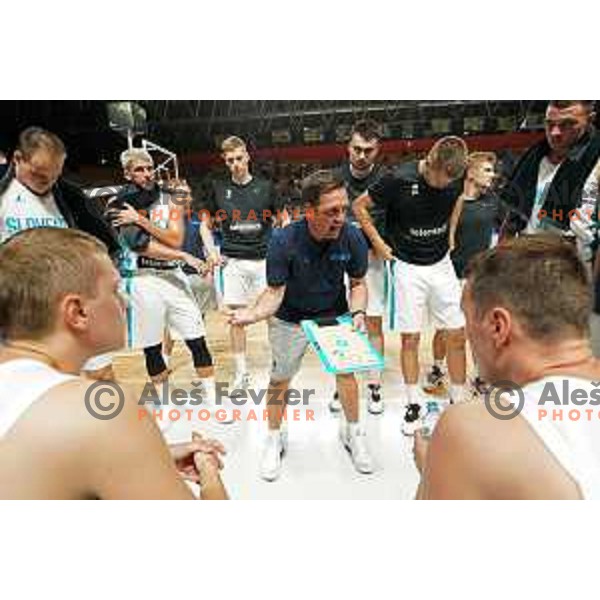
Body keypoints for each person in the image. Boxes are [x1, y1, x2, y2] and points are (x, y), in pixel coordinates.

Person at [0, 227, 227, 499]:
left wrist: (153, 458)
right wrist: (208, 472)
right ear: (78, 312)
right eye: (115, 290)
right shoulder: (99, 409)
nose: (127, 301)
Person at [414, 235, 600, 499]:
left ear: (498, 326)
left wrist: (433, 473)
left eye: (467, 319)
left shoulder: (470, 430)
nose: (467, 336)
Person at [227, 169, 373, 481]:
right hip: (289, 318)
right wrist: (252, 315)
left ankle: (354, 433)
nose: (339, 217)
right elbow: (275, 292)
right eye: (330, 211)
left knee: (347, 375)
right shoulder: (283, 240)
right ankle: (274, 436)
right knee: (279, 380)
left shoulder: (353, 235)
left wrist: (358, 312)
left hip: (334, 314)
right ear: (308, 210)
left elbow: (358, 283)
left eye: (343, 209)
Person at [354, 136, 468, 434]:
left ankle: (458, 402)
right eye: (441, 180)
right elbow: (359, 206)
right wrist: (378, 243)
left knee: (457, 334)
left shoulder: (457, 177)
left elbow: (458, 200)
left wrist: (452, 233)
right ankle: (412, 405)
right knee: (410, 340)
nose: (445, 186)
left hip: (441, 263)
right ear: (431, 163)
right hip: (407, 266)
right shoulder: (398, 178)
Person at [109, 149, 228, 432]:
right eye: (139, 169)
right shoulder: (117, 204)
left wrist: (140, 220)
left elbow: (175, 240)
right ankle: (165, 407)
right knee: (153, 348)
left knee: (197, 339)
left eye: (149, 168)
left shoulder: (168, 196)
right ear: (127, 173)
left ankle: (213, 402)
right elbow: (140, 246)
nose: (147, 174)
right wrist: (182, 256)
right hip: (143, 279)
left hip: (174, 278)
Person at [0, 126, 120, 381]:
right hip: (19, 311)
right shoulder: (4, 193)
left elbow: (105, 243)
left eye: (55, 175)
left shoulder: (71, 196)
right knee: (33, 381)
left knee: (100, 373)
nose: (48, 182)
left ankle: (107, 418)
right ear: (18, 159)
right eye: (39, 174)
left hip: (70, 304)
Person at [200, 136, 282, 390]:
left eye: (238, 158)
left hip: (263, 261)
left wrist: (282, 253)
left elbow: (284, 221)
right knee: (236, 319)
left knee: (273, 317)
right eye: (230, 160)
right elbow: (205, 225)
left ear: (247, 156)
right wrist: (211, 251)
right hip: (232, 262)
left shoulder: (267, 188)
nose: (235, 164)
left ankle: (278, 368)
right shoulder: (218, 189)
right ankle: (241, 373)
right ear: (225, 162)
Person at [426, 152, 499, 400]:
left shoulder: (492, 202)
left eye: (492, 170)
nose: (493, 174)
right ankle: (437, 368)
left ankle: (480, 377)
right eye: (487, 170)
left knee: (478, 330)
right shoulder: (449, 202)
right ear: (471, 173)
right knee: (445, 329)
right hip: (449, 276)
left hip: (480, 279)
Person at [329, 119, 387, 415]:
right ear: (348, 148)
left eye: (368, 150)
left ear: (377, 151)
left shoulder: (386, 180)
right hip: (336, 259)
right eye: (356, 149)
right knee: (341, 323)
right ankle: (344, 383)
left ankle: (374, 384)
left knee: (373, 322)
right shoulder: (334, 178)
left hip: (372, 261)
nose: (362, 155)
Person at [501, 101, 599, 242]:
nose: (555, 132)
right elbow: (513, 217)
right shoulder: (534, 156)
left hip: (575, 255)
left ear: (590, 120)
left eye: (567, 124)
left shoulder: (595, 159)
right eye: (549, 124)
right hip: (527, 250)